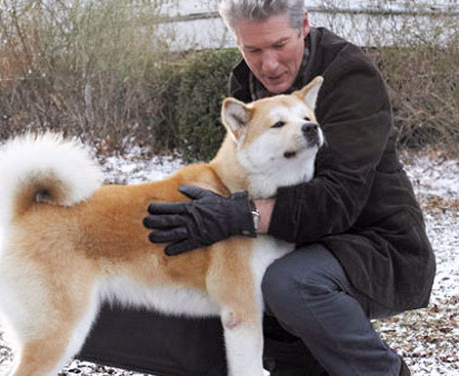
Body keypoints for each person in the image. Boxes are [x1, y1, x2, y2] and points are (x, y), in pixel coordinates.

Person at [143, 1, 436, 375]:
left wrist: (240, 214)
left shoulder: (350, 77)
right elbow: (242, 173)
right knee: (223, 272)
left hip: (376, 243)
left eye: (279, 45)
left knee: (289, 282)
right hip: (293, 236)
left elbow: (338, 199)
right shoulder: (249, 85)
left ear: (305, 26)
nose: (269, 65)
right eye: (253, 50)